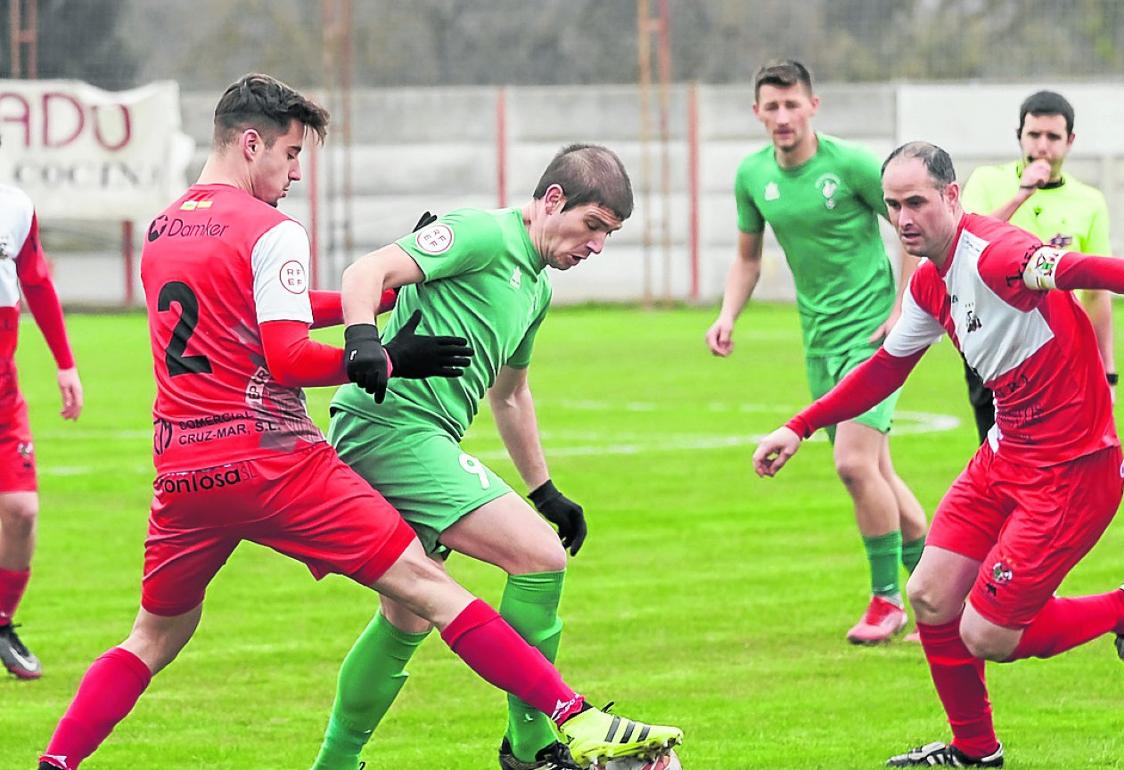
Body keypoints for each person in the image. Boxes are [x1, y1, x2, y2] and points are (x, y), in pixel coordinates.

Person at [35, 74, 681, 770]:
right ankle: (565, 721)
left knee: (152, 640)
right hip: (275, 458)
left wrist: (384, 302)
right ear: (251, 145)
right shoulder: (273, 229)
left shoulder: (163, 229)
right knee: (438, 591)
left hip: (185, 470)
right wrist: (380, 353)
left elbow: (252, 314)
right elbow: (284, 358)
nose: (293, 176)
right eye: (288, 156)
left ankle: (57, 763)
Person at [752, 141, 1124, 767]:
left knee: (989, 634)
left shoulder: (997, 254)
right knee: (931, 597)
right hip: (1006, 456)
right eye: (892, 206)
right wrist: (800, 425)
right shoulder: (928, 281)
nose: (903, 218)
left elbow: (1079, 269)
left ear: (951, 197)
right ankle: (976, 751)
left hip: (1073, 470)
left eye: (916, 201)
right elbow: (885, 371)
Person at [310, 144, 644, 770]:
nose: (596, 245)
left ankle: (333, 764)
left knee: (407, 617)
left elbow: (511, 396)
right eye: (592, 226)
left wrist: (546, 492)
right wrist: (361, 342)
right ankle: (532, 746)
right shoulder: (480, 234)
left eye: (609, 234)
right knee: (538, 559)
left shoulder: (537, 287)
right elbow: (365, 273)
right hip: (389, 430)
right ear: (552, 202)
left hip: (414, 438)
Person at [706, 59, 926, 644]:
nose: (782, 117)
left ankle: (888, 603)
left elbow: (910, 229)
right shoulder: (753, 176)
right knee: (877, 472)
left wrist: (904, 306)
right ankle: (941, 593)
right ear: (757, 113)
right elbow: (748, 257)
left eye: (792, 104)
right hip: (819, 341)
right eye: (771, 107)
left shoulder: (850, 164)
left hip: (874, 336)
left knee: (854, 465)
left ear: (813, 106)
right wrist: (728, 315)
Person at [959, 90, 1115, 442]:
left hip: (1060, 348)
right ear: (1019, 137)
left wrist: (1109, 371)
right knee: (998, 454)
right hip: (993, 341)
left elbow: (1096, 293)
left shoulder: (1089, 202)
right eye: (1033, 135)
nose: (1042, 146)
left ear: (1070, 141)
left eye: (1053, 137)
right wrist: (1021, 194)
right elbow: (967, 245)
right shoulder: (988, 181)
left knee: (1059, 455)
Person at [0, 178, 84, 680]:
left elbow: (35, 280)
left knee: (22, 509)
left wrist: (65, 364)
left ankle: (2, 622)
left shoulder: (15, 206)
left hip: (3, 393)